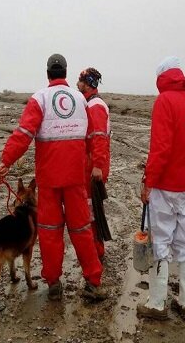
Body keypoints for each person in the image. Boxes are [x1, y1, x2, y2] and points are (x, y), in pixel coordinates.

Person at [0, 54, 106, 301]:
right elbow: (94, 137)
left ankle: (53, 282)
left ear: (48, 73)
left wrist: (6, 161)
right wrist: (97, 164)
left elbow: (23, 134)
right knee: (81, 230)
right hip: (76, 179)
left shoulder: (40, 99)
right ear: (65, 73)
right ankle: (93, 281)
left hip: (48, 181)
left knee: (49, 232)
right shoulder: (81, 99)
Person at [138, 57, 185, 321]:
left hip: (165, 187)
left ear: (161, 79)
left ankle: (157, 304)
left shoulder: (164, 101)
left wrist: (149, 182)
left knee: (162, 242)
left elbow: (161, 149)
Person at [76, 67, 111, 259]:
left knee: (92, 210)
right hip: (92, 164)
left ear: (87, 83)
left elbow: (99, 137)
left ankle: (96, 251)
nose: (77, 84)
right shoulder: (90, 103)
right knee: (91, 208)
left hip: (93, 167)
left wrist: (97, 165)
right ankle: (95, 249)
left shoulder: (95, 105)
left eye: (80, 80)